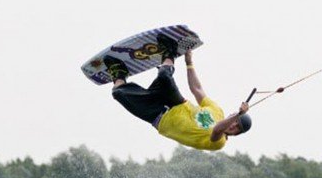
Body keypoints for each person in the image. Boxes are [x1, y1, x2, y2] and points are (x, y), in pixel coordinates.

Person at [103, 34, 251, 151]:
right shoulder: (217, 111)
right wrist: (189, 63)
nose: (233, 126)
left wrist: (239, 114)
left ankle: (119, 72)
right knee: (164, 76)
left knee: (118, 94)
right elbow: (197, 89)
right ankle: (169, 53)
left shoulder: (219, 143)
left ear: (235, 135)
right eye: (236, 122)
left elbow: (218, 129)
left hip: (159, 118)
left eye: (237, 128)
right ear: (231, 114)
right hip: (176, 103)